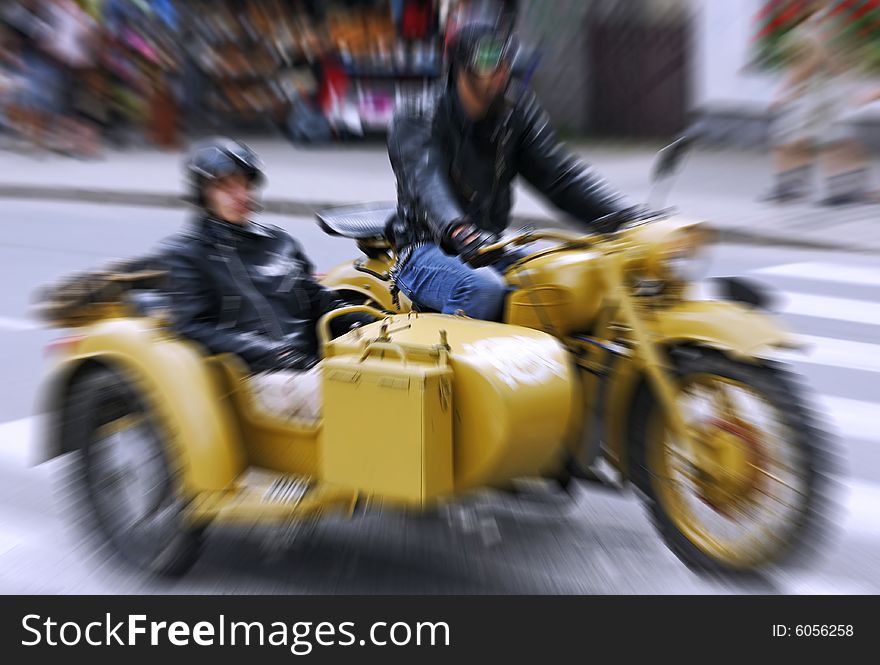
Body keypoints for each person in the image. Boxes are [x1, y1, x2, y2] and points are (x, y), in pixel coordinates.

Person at [386, 7, 636, 321]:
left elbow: (558, 177)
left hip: (488, 246)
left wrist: (625, 220)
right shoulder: (418, 114)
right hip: (425, 250)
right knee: (482, 288)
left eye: (505, 60)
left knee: (565, 276)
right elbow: (426, 184)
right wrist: (460, 231)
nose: (501, 71)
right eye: (489, 62)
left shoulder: (514, 113)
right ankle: (453, 366)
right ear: (460, 66)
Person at [163, 138, 374, 422]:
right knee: (370, 400)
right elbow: (193, 327)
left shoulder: (279, 241)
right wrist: (273, 353)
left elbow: (316, 297)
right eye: (226, 185)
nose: (241, 194)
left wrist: (370, 320)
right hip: (259, 377)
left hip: (312, 363)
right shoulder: (187, 254)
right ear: (204, 194)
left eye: (245, 184)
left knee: (404, 375)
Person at [764, 1, 877, 205]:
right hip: (816, 92)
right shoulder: (818, 24)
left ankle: (797, 187)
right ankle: (799, 187)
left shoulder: (821, 24)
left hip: (820, 93)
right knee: (821, 139)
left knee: (811, 138)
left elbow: (815, 59)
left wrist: (787, 91)